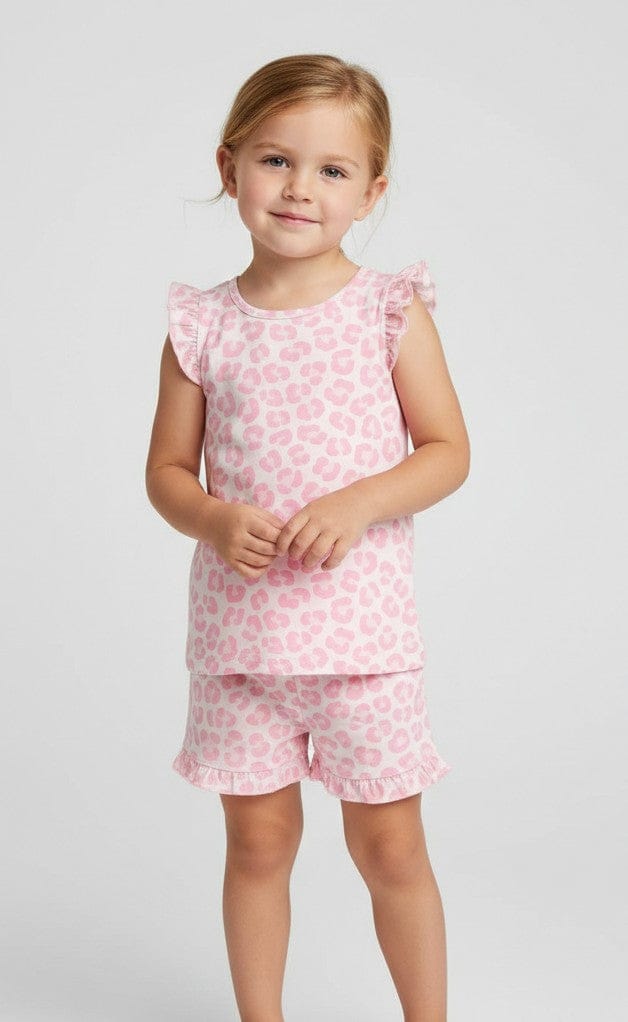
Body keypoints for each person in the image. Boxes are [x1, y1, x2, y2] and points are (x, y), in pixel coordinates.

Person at [146, 52, 470, 1022]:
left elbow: (447, 450)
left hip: (361, 646)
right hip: (242, 647)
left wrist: (362, 501)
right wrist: (212, 516)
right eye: (276, 160)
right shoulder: (201, 325)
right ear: (230, 165)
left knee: (391, 848)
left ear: (370, 192)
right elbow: (167, 473)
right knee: (256, 844)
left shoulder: (387, 309)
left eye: (332, 169)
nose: (299, 188)